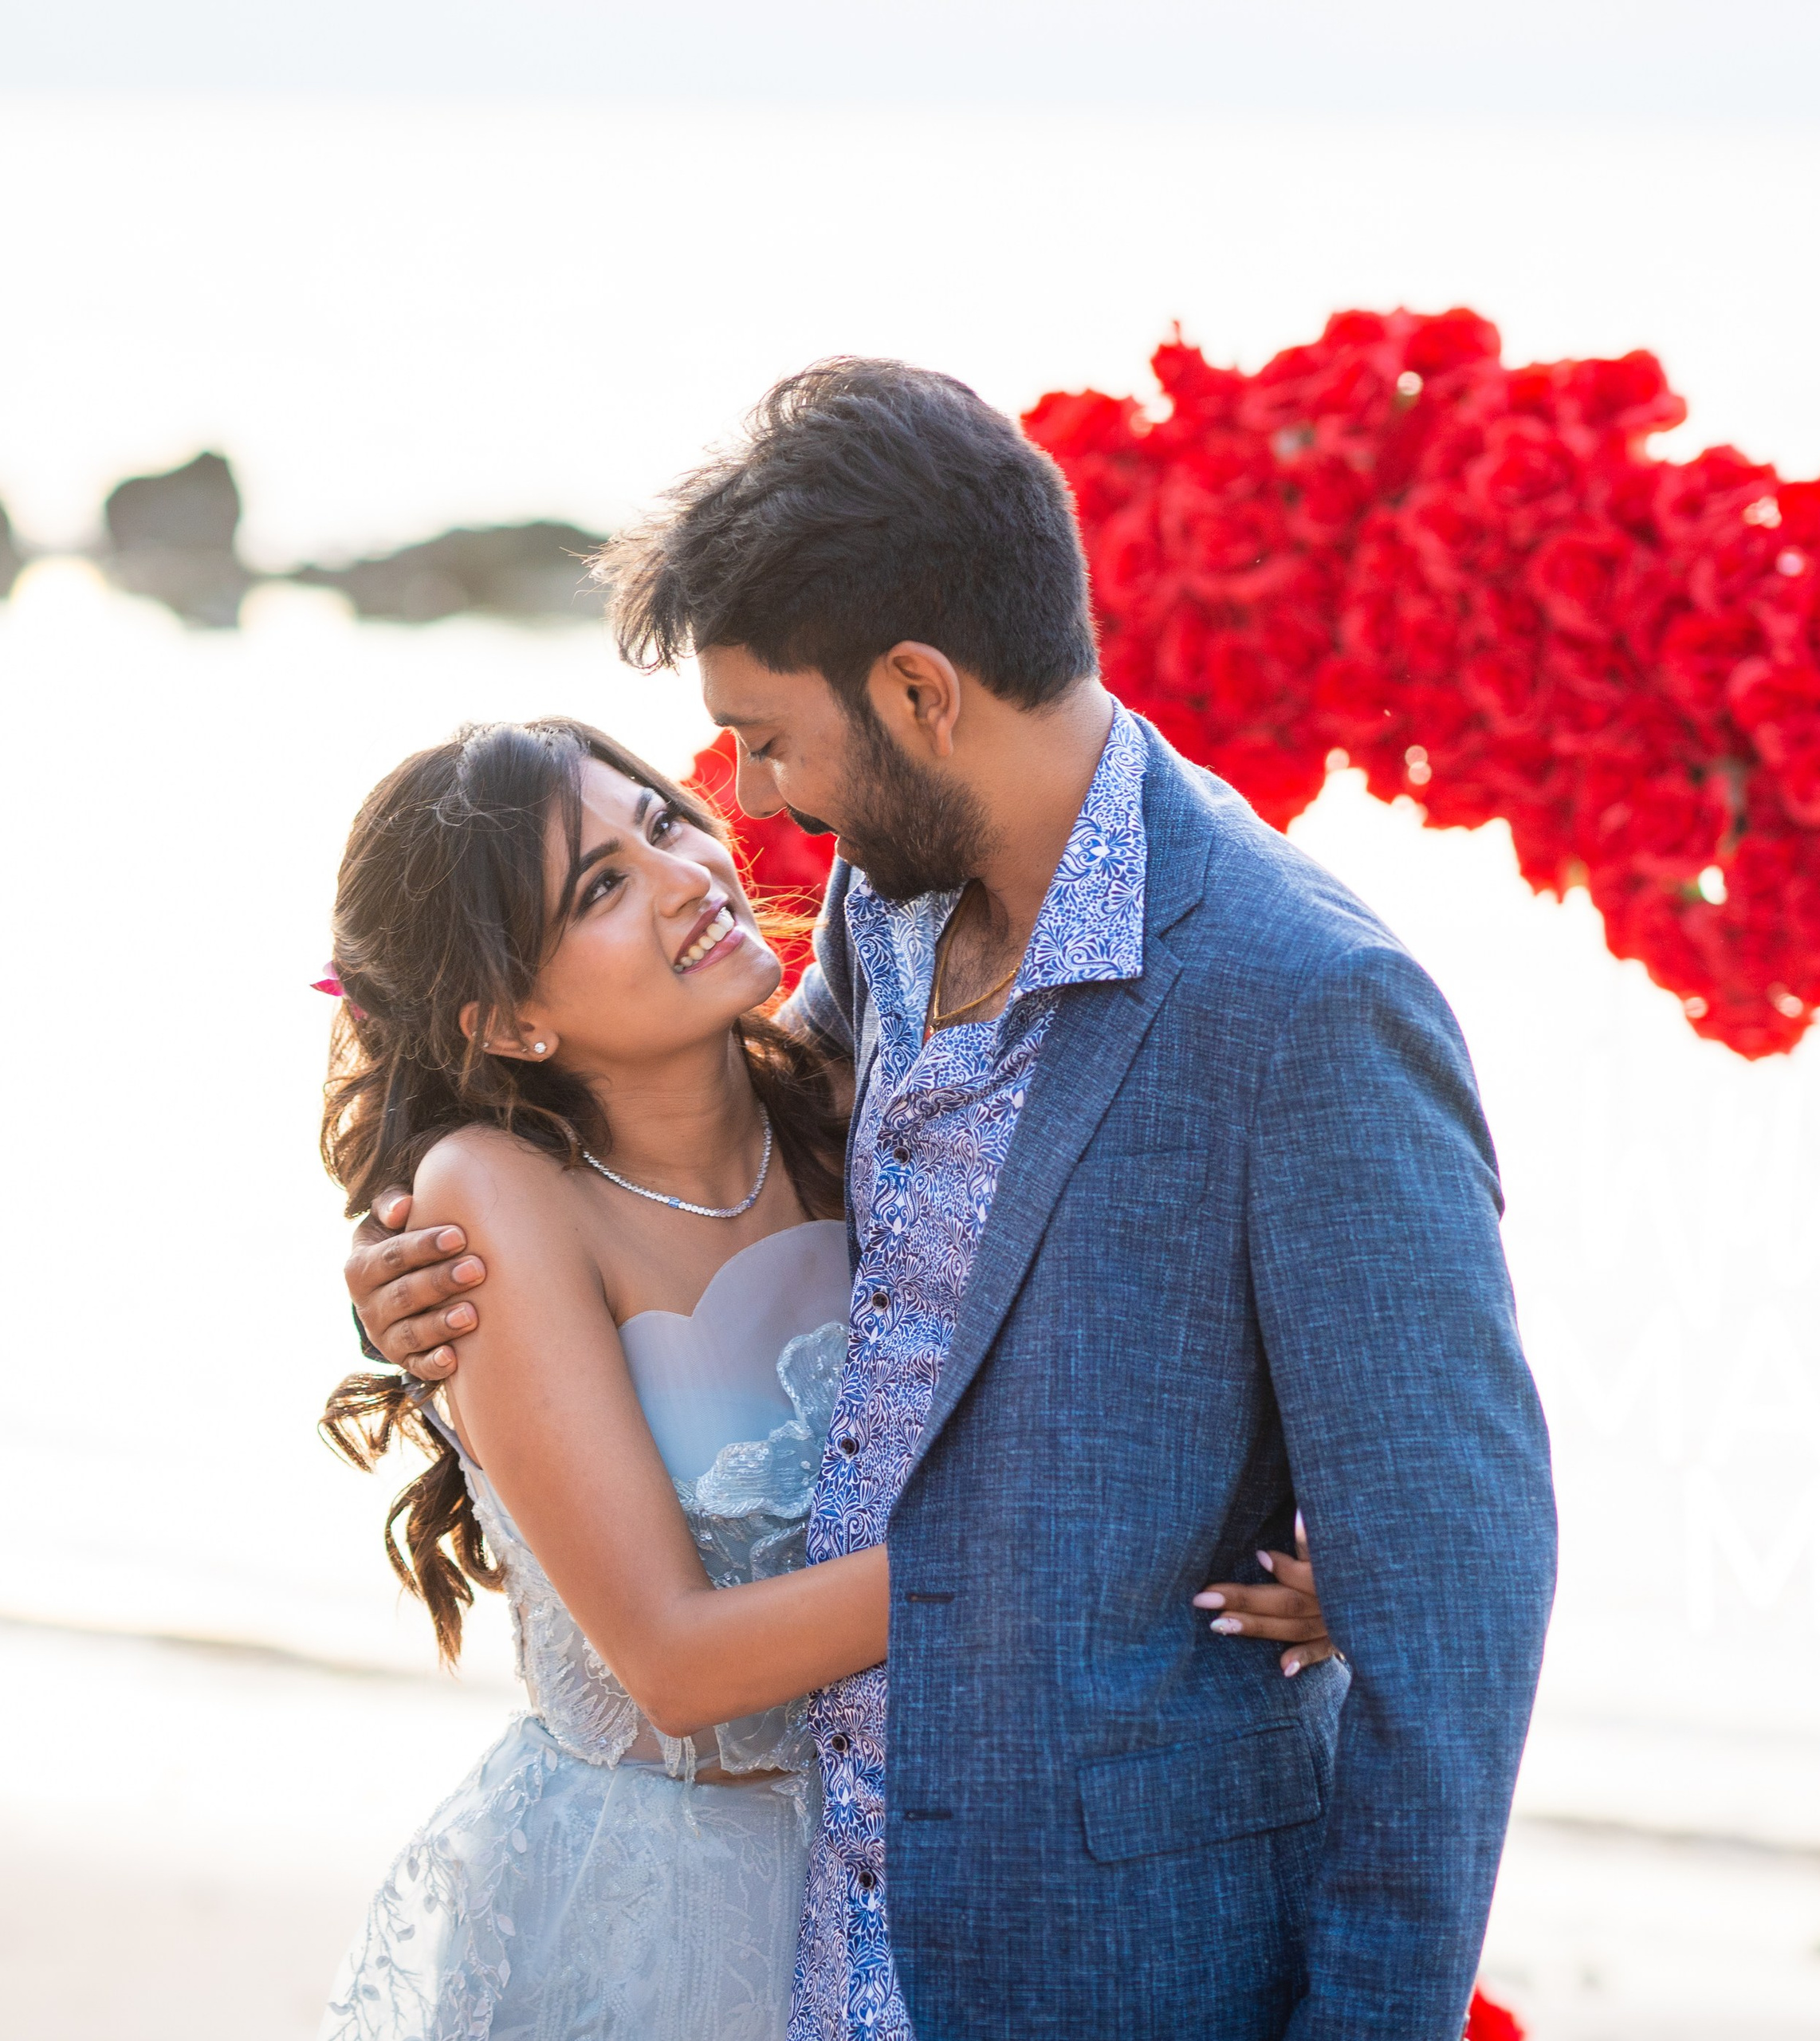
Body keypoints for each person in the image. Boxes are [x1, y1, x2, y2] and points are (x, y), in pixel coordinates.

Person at [353, 359, 1558, 2040]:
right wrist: (415, 1272)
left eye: (771, 740)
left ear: (918, 691)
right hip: (796, 1928)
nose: (754, 803)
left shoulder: (1304, 1004)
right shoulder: (888, 908)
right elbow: (726, 1179)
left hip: (1114, 1956)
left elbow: (1454, 1610)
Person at [316, 717, 1328, 2041]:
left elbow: (1146, 1329)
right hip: (662, 1918)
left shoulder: (864, 1113)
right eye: (600, 887)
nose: (688, 874)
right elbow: (676, 1665)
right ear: (508, 1022)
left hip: (928, 1872)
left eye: (665, 821)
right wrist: (1104, 1554)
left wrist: (1306, 1552)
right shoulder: (490, 1199)